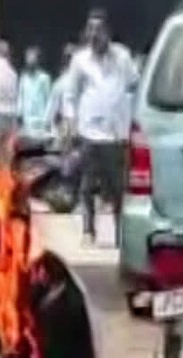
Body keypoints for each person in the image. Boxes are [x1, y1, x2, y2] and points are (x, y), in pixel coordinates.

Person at [64, 8, 138, 246]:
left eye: (99, 29)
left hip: (115, 135)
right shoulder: (80, 60)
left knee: (117, 189)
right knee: (86, 186)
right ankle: (88, 231)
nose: (94, 34)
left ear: (108, 32)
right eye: (90, 29)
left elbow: (134, 85)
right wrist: (71, 122)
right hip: (89, 134)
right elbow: (70, 95)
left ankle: (121, 234)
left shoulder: (122, 57)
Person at [17, 46, 52, 139]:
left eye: (32, 58)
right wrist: (19, 114)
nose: (30, 61)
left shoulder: (44, 78)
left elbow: (49, 99)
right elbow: (20, 97)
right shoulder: (23, 78)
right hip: (26, 120)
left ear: (37, 60)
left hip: (40, 120)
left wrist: (47, 119)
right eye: (28, 58)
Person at [45, 43, 77, 144]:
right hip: (67, 126)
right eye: (68, 57)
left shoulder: (85, 80)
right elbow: (52, 107)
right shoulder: (61, 82)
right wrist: (48, 123)